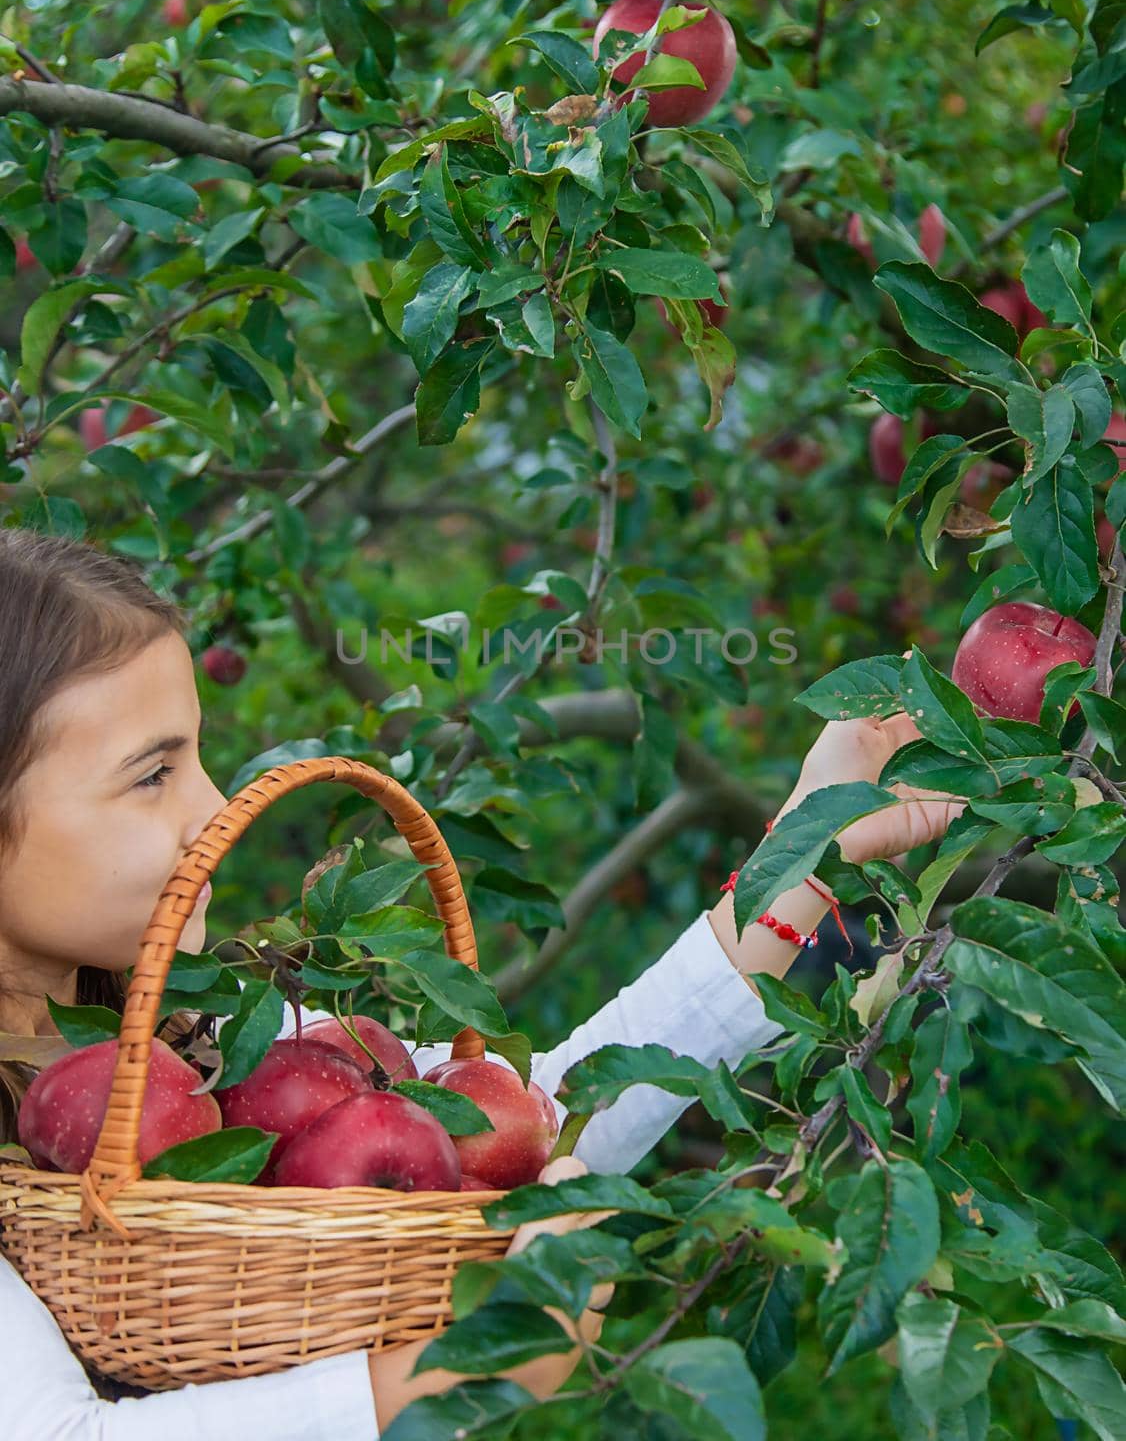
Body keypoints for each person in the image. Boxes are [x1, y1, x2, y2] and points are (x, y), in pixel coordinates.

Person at [0, 528, 964, 1437]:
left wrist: (805, 851)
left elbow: (520, 1122)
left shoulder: (213, 1027)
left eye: (199, 755)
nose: (214, 807)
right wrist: (476, 1365)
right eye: (150, 775)